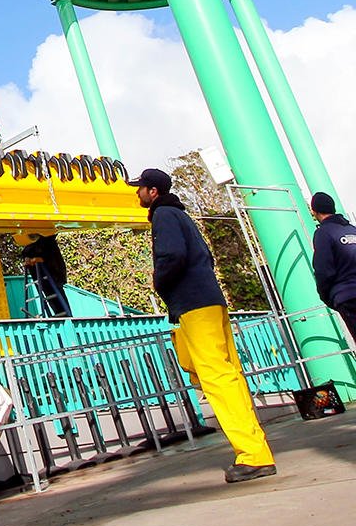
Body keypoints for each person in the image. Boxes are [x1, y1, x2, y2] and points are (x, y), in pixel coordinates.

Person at [129, 167, 276, 484]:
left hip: (193, 305)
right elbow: (204, 257)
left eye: (140, 188)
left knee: (218, 379)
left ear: (152, 191)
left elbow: (172, 255)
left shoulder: (164, 215)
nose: (136, 192)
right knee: (224, 374)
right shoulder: (181, 216)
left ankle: (253, 455)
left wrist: (159, 281)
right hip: (207, 302)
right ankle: (256, 447)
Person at [308, 191, 356, 344]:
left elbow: (323, 270)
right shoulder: (353, 230)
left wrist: (328, 297)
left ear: (314, 211)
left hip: (348, 297)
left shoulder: (323, 233)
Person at [20, 233, 71, 317]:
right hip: (43, 277)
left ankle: (65, 317)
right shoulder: (33, 245)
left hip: (53, 274)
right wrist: (27, 259)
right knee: (51, 296)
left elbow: (48, 254)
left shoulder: (48, 242)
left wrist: (40, 259)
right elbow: (26, 252)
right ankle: (62, 316)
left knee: (57, 296)